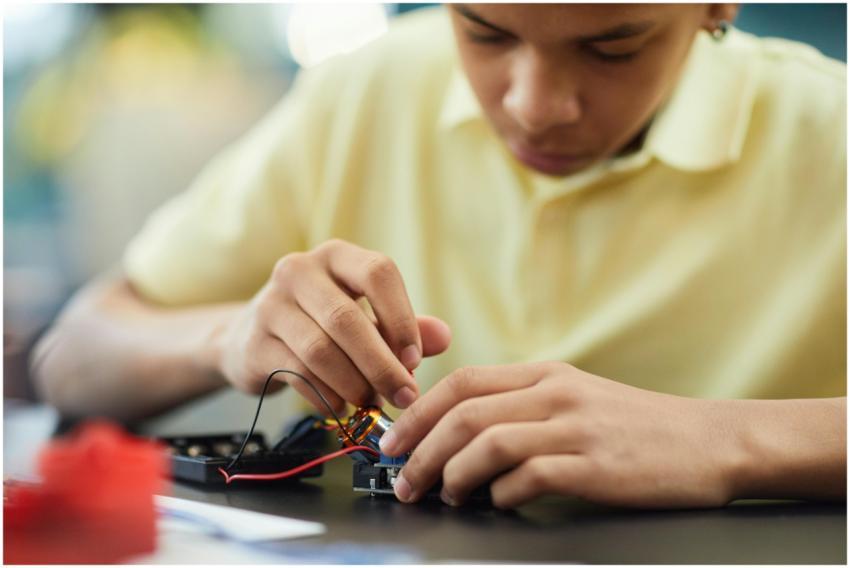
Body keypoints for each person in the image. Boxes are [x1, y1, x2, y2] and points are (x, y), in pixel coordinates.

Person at [32, 4, 845, 509]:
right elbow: (70, 358)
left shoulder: (830, 133)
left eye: (613, 47)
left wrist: (730, 440)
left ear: (718, 7)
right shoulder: (365, 91)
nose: (533, 107)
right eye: (484, 31)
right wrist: (225, 338)